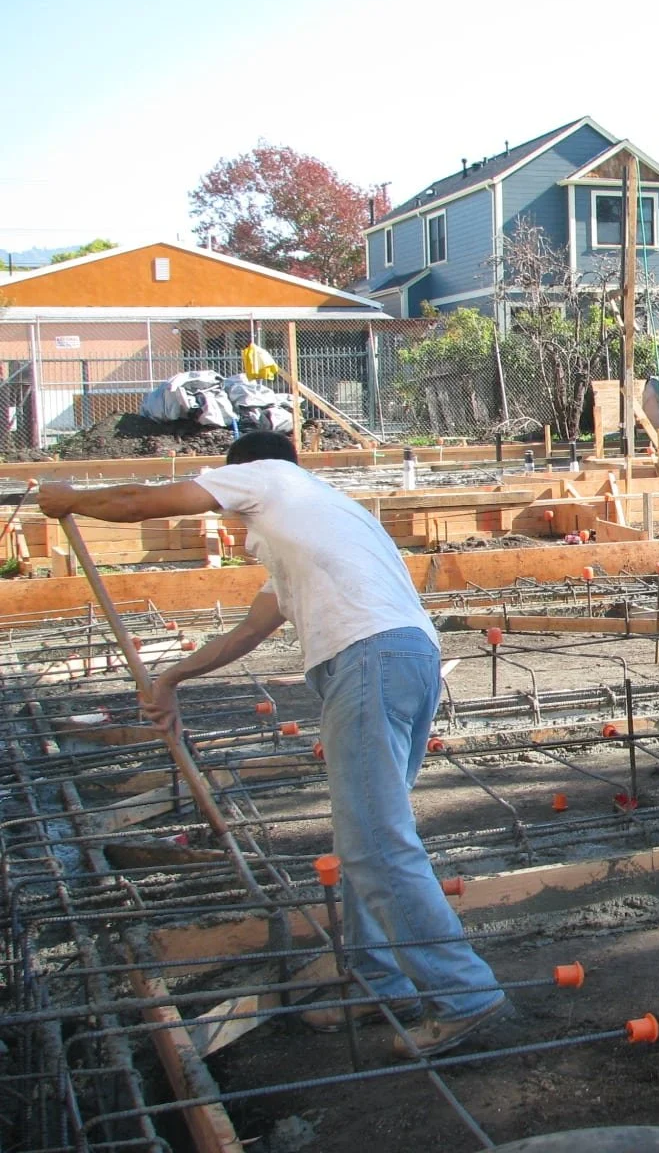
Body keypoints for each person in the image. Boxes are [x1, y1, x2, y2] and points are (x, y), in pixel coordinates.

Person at [38, 432, 510, 1060]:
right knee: (365, 838)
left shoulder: (264, 478)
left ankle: (462, 994)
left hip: (370, 660)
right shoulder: (318, 520)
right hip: (404, 658)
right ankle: (379, 979)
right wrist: (172, 678)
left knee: (374, 841)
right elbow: (249, 632)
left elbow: (136, 500)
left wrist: (69, 498)